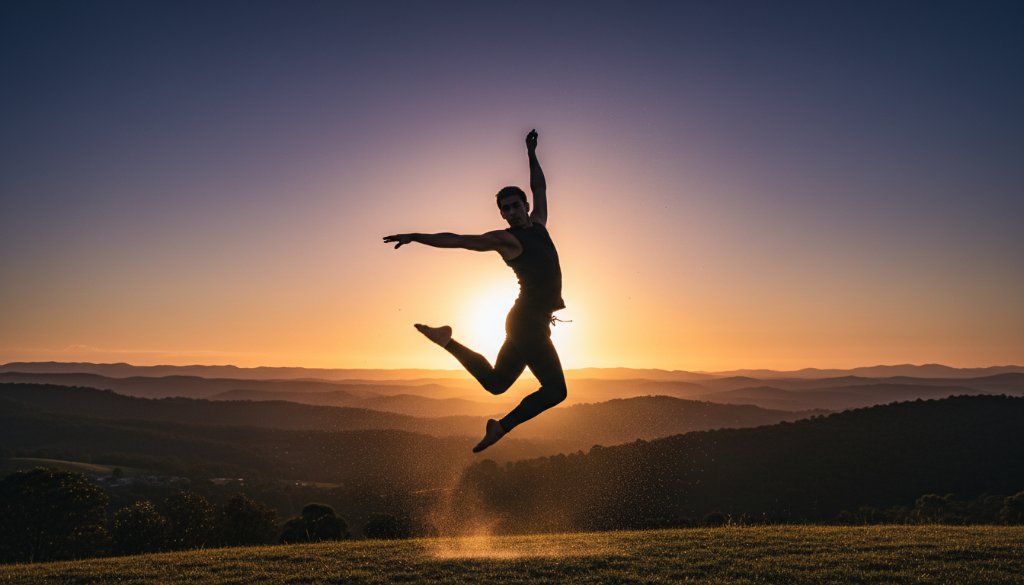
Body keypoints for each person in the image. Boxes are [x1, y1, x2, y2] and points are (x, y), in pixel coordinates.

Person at [383, 129, 568, 453]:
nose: (511, 212)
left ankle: (446, 340)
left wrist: (531, 153)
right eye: (505, 209)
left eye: (515, 206)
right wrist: (415, 236)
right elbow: (459, 239)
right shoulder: (507, 240)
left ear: (525, 205)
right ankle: (502, 427)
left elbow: (540, 186)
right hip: (525, 323)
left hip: (528, 322)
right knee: (555, 391)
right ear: (502, 214)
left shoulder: (539, 224)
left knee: (496, 384)